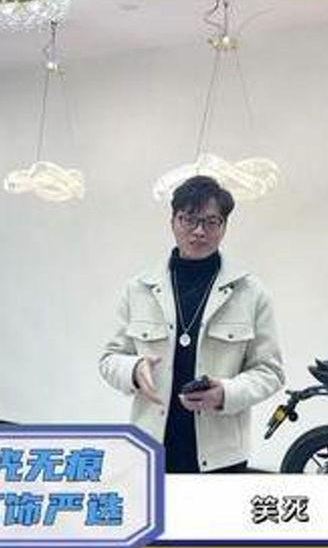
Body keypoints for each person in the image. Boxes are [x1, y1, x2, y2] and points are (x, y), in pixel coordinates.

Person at [99, 175, 284, 473]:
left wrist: (226, 393)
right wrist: (133, 370)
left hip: (222, 455)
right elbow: (109, 359)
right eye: (189, 219)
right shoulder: (139, 289)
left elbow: (270, 372)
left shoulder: (250, 293)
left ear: (224, 227)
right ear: (173, 222)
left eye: (211, 222)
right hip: (150, 446)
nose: (199, 231)